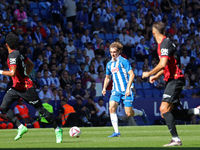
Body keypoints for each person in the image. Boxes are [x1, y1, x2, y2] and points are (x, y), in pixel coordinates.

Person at [142, 21, 200, 147]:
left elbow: (162, 64)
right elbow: (166, 65)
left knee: (163, 109)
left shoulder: (165, 43)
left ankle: (176, 139)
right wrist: (156, 76)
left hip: (175, 79)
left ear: (153, 32)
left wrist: (149, 73)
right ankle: (196, 111)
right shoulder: (164, 44)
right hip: (172, 79)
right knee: (167, 112)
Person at [0, 33, 62, 143]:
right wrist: (26, 75)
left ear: (7, 45)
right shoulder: (19, 54)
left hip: (26, 88)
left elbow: (12, 73)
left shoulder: (13, 55)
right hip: (16, 87)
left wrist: (0, 71)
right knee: (4, 107)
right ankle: (20, 127)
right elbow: (31, 65)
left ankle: (57, 129)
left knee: (40, 109)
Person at [102, 42, 148, 137]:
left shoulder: (124, 61)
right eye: (111, 52)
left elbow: (132, 74)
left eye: (114, 52)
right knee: (111, 108)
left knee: (129, 113)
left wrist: (128, 89)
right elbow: (107, 77)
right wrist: (104, 88)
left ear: (118, 52)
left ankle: (140, 112)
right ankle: (116, 132)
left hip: (126, 90)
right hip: (116, 90)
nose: (113, 54)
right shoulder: (109, 64)